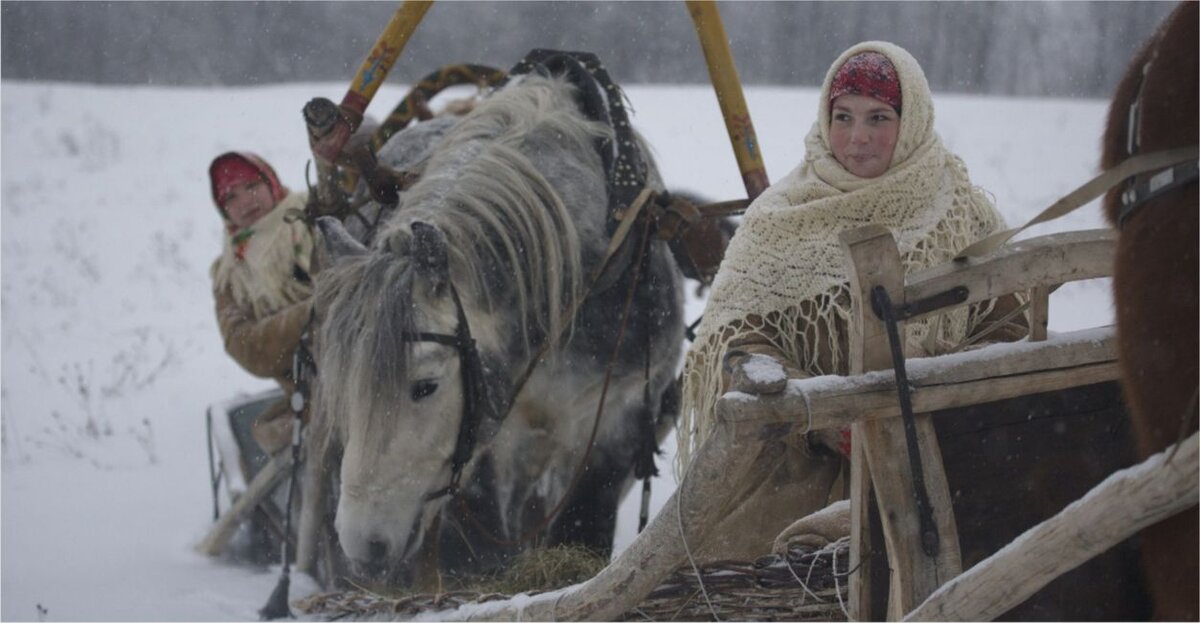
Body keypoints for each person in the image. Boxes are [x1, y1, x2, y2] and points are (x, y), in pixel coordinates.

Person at [675, 41, 1027, 562]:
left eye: (878, 118)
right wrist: (820, 414)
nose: (857, 138)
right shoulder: (780, 217)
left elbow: (1009, 332)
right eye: (843, 117)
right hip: (800, 469)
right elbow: (739, 341)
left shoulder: (959, 212)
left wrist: (937, 404)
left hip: (944, 460)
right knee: (751, 575)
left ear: (911, 122)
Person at [209, 152, 315, 456]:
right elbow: (250, 350)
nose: (245, 201)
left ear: (271, 183)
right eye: (230, 197)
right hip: (311, 398)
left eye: (252, 185)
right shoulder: (229, 276)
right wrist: (314, 311)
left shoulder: (315, 217)